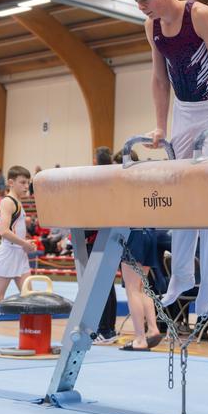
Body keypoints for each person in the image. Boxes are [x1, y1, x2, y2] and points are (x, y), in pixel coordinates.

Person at [126, 0, 208, 316]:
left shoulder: (200, 15)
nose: (142, 7)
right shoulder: (152, 27)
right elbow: (160, 78)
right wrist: (161, 126)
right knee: (182, 196)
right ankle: (182, 275)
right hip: (184, 112)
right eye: (136, 2)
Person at [0, 165, 36, 348]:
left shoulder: (18, 202)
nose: (25, 186)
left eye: (27, 182)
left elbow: (16, 231)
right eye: (22, 182)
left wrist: (27, 243)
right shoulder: (8, 202)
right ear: (11, 182)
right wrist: (25, 243)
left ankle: (33, 337)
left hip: (19, 253)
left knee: (29, 295)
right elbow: (3, 231)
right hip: (9, 253)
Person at [89, 146, 119, 344]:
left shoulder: (97, 183)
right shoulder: (113, 180)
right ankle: (108, 329)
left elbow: (95, 213)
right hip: (110, 238)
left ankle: (105, 329)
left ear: (94, 162)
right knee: (107, 286)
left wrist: (86, 234)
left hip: (100, 239)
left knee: (101, 287)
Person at [120, 229, 163, 351]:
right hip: (150, 232)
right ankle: (152, 328)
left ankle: (140, 339)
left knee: (132, 288)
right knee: (142, 287)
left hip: (134, 233)